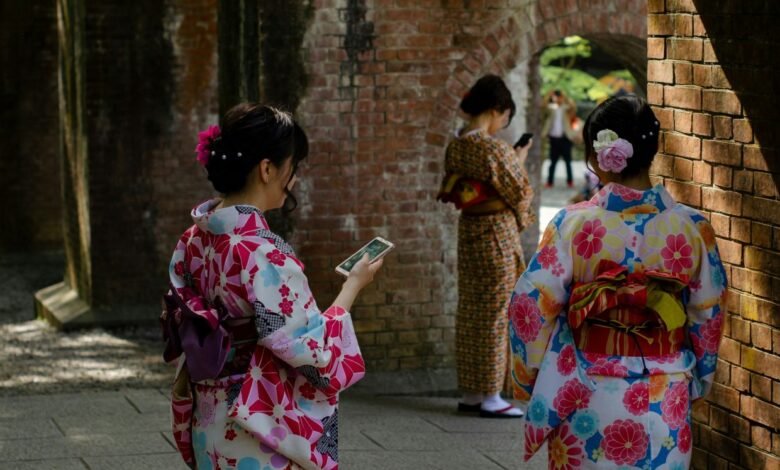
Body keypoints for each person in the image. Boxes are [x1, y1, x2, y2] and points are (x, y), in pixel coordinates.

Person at [509, 95, 727, 468]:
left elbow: (530, 306)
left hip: (586, 391)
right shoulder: (692, 228)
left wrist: (530, 377)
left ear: (598, 157)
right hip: (666, 390)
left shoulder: (572, 224)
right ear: (653, 150)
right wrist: (698, 380)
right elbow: (709, 313)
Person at [161, 103, 383, 470]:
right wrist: (353, 288)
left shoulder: (193, 240)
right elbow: (312, 352)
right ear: (267, 169)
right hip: (256, 422)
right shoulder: (264, 252)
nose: (293, 180)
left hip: (208, 412)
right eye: (291, 168)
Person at [437, 75, 534, 418]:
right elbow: (519, 191)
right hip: (495, 235)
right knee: (495, 313)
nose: (502, 125)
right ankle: (492, 395)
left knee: (472, 312)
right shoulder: (493, 148)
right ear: (496, 110)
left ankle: (473, 393)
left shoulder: (457, 145)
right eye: (504, 118)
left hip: (470, 233)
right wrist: (518, 161)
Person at [541, 89, 577, 188]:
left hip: (565, 138)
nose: (557, 99)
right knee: (553, 162)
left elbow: (573, 107)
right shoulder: (551, 108)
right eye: (556, 97)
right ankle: (550, 182)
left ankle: (570, 181)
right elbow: (543, 106)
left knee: (568, 162)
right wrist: (549, 95)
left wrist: (564, 97)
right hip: (554, 138)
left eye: (559, 97)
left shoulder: (566, 108)